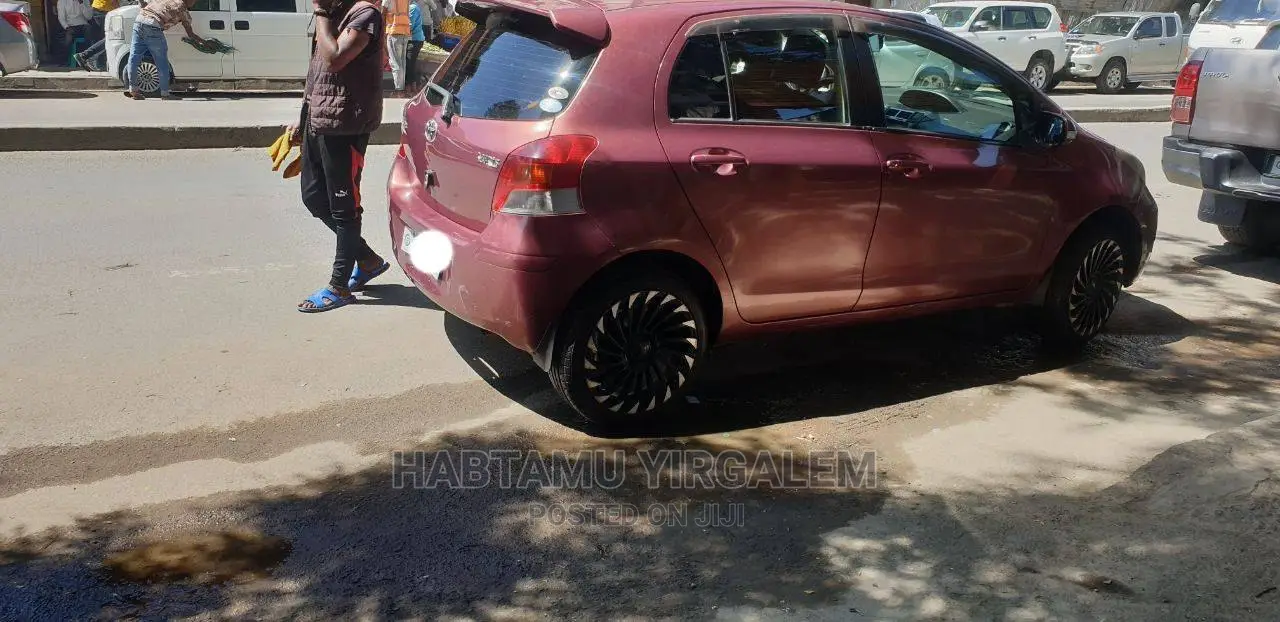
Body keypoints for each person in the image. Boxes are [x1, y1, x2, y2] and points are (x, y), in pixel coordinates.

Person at [289, 0, 389, 312]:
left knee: (344, 208)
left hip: (346, 124)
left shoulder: (364, 14)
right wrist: (302, 114)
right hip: (318, 120)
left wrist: (320, 13)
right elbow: (316, 72)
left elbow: (334, 59)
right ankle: (369, 260)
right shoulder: (333, 14)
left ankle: (339, 287)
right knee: (314, 198)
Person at [124, 0, 204, 99]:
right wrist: (203, 41)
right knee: (162, 62)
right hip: (153, 26)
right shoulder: (182, 8)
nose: (194, 3)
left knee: (134, 58)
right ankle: (165, 94)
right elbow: (190, 33)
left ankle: (133, 90)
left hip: (139, 21)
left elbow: (144, 4)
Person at [382, 0, 410, 94]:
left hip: (394, 33)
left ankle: (398, 89)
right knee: (402, 63)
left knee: (395, 63)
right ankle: (401, 87)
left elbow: (382, 14)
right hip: (405, 32)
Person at [406, 0, 425, 91]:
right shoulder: (412, 6)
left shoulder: (413, 8)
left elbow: (410, 26)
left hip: (414, 40)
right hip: (415, 39)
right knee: (411, 64)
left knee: (410, 64)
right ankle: (413, 87)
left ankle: (411, 88)